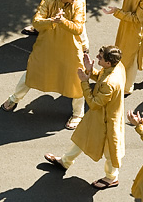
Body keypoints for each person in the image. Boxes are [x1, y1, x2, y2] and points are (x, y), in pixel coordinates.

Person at [3, 0, 86, 129]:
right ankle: (14, 98)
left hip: (70, 48)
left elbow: (78, 28)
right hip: (47, 46)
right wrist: (52, 21)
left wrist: (63, 22)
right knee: (32, 72)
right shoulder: (48, 0)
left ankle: (78, 113)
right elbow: (36, 22)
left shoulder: (78, 4)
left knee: (76, 78)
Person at [44, 45, 126, 187]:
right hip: (99, 116)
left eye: (100, 57)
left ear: (108, 62)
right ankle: (65, 161)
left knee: (110, 150)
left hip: (107, 120)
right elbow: (101, 77)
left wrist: (84, 81)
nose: (97, 58)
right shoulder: (117, 66)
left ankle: (112, 178)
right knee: (82, 136)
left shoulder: (109, 83)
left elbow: (94, 103)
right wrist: (89, 70)